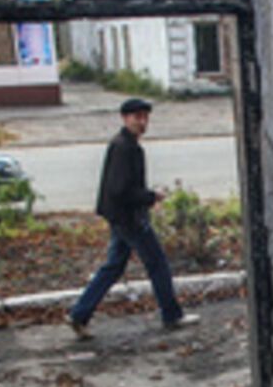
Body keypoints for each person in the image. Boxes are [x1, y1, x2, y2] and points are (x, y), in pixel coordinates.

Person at [67, 98, 200, 339]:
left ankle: (79, 314)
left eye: (145, 117)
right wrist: (151, 196)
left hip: (121, 217)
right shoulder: (126, 148)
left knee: (114, 266)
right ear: (125, 118)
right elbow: (120, 190)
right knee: (157, 264)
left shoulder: (124, 144)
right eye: (137, 117)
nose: (142, 122)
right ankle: (172, 315)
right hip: (130, 219)